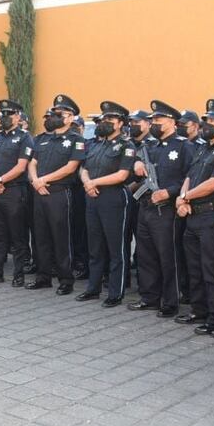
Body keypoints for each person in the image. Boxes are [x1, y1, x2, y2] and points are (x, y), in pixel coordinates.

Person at [175, 99, 214, 333]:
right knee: (194, 268)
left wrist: (185, 197)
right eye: (207, 120)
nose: (208, 124)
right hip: (192, 215)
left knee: (213, 268)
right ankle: (198, 310)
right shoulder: (204, 147)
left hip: (210, 217)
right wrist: (181, 198)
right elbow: (190, 176)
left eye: (213, 120)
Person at [128, 100, 196, 317]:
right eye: (153, 120)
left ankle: (170, 301)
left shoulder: (184, 146)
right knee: (146, 254)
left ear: (172, 122)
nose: (155, 123)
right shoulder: (148, 147)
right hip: (145, 206)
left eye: (159, 120)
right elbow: (134, 172)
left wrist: (171, 192)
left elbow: (191, 176)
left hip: (166, 209)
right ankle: (149, 297)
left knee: (168, 256)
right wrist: (135, 165)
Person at [77, 101, 136, 307]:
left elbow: (122, 174)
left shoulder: (126, 146)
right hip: (92, 197)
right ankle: (93, 289)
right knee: (95, 246)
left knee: (115, 248)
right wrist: (87, 183)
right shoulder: (96, 144)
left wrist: (94, 182)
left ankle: (115, 292)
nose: (105, 122)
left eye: (110, 119)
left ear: (120, 123)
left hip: (113, 198)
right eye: (103, 119)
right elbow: (84, 168)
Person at [27, 95, 85, 295]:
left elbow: (71, 167)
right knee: (40, 237)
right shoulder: (43, 139)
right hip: (39, 192)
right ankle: (43, 277)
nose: (54, 116)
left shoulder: (76, 140)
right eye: (53, 113)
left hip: (59, 194)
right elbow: (32, 162)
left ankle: (65, 280)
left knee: (61, 237)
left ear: (69, 118)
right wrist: (35, 181)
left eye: (59, 114)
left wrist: (45, 180)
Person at [0, 100, 34, 286]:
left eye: (8, 115)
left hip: (13, 191)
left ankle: (19, 274)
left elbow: (21, 167)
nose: (4, 118)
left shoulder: (24, 137)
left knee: (17, 235)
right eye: (2, 115)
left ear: (17, 117)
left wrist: (0, 181)